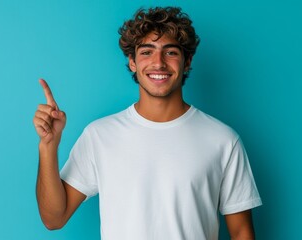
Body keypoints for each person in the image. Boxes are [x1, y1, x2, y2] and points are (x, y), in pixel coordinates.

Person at [33, 6, 262, 240]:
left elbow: (241, 232)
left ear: (188, 61)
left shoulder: (223, 140)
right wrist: (48, 146)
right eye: (146, 52)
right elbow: (54, 218)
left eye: (171, 52)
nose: (159, 63)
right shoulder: (100, 135)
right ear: (132, 61)